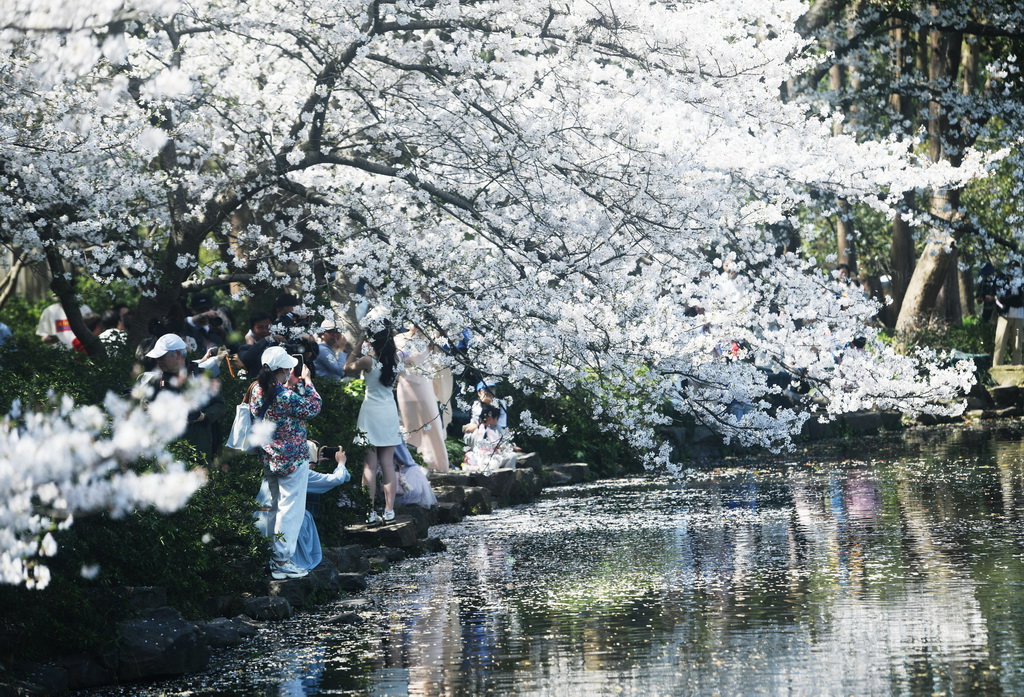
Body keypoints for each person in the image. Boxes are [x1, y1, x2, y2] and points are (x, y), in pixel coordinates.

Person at [249, 346, 322, 579]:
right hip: (292, 459)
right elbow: (314, 407)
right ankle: (282, 559)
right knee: (290, 509)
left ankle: (273, 556)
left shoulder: (257, 390)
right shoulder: (285, 395)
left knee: (274, 508)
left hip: (269, 456)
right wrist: (308, 382)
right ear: (285, 369)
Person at [254, 445, 350, 571]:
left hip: (259, 521)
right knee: (304, 516)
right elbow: (337, 479)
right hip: (279, 525)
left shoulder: (276, 467)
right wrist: (341, 463)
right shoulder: (301, 473)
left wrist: (313, 462)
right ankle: (288, 560)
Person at [344, 323, 403, 524]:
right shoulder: (396, 360)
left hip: (370, 412)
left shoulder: (368, 360)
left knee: (370, 465)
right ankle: (389, 510)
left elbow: (346, 367)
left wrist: (358, 344)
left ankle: (369, 512)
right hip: (389, 411)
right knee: (388, 463)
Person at [137, 333, 226, 463]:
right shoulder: (156, 381)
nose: (158, 361)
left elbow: (220, 405)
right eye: (157, 358)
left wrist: (204, 416)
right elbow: (145, 410)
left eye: (162, 357)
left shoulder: (203, 377)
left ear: (178, 355)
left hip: (199, 448)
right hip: (168, 450)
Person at [395, 326, 450, 472]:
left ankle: (439, 464)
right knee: (409, 425)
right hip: (404, 385)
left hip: (424, 384)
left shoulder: (430, 337)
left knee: (432, 421)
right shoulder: (398, 339)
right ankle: (413, 464)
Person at [463, 404, 516, 472]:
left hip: (496, 455)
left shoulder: (498, 429)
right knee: (492, 464)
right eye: (494, 418)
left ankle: (508, 477)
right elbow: (471, 443)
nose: (496, 420)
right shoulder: (478, 428)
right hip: (482, 457)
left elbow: (502, 444)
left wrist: (510, 447)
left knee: (512, 456)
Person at [994, 264, 1024, 366]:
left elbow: (1020, 300)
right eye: (1011, 267)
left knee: (1017, 346)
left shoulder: (1022, 283)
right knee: (1000, 344)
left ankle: (1016, 370)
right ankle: (997, 369)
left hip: (1019, 316)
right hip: (1004, 316)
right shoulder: (1003, 282)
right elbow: (1000, 298)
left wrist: (1010, 300)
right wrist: (1012, 299)